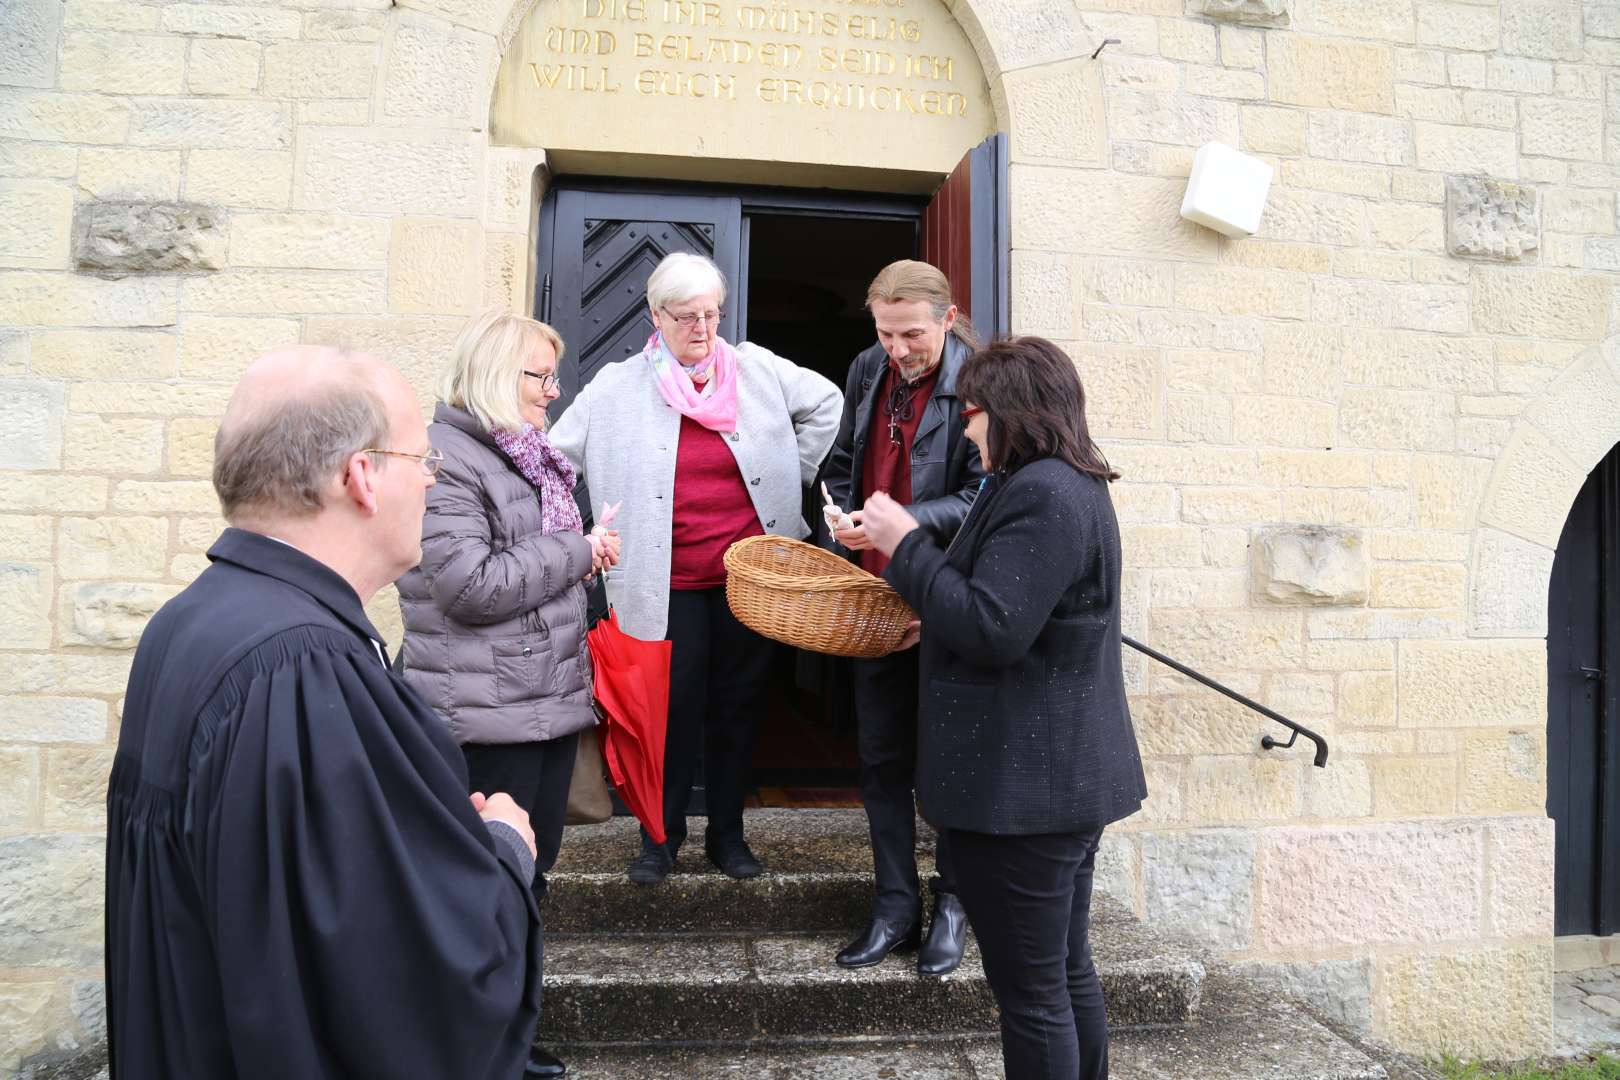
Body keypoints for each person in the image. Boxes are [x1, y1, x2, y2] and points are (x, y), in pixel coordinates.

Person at [106, 346, 543, 1080]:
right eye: (424, 460)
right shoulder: (301, 667)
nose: (432, 484)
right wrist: (504, 849)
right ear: (361, 477)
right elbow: (402, 985)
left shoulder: (189, 622)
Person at [860, 336, 1149, 1080]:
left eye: (975, 411)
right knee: (1061, 974)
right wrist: (938, 610)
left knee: (1032, 996)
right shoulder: (1059, 484)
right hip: (1049, 784)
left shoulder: (1046, 493)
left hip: (1024, 794)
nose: (965, 427)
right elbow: (1019, 614)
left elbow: (995, 628)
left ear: (1014, 412)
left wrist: (905, 544)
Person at [550, 251, 842, 886]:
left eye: (711, 314)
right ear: (656, 316)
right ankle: (662, 837)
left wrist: (791, 478)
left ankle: (728, 837)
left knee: (738, 709)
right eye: (686, 317)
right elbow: (554, 459)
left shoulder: (758, 371)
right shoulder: (616, 387)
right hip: (664, 584)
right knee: (670, 713)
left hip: (748, 583)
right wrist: (573, 535)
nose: (703, 329)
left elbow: (829, 404)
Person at [396, 310, 618, 1079]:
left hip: (535, 699)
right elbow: (467, 584)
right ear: (495, 374)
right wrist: (577, 549)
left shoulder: (518, 454)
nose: (553, 394)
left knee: (527, 875)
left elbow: (517, 565)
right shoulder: (450, 459)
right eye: (540, 376)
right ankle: (478, 1049)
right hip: (485, 712)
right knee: (487, 883)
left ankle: (505, 1038)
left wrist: (577, 558)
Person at [818, 260, 985, 977]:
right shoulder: (866, 367)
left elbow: (987, 494)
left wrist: (904, 525)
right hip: (874, 599)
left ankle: (953, 904)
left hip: (946, 595)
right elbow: (848, 455)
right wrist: (838, 515)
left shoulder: (983, 380)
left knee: (948, 758)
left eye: (911, 333)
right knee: (881, 758)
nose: (897, 349)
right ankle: (894, 905)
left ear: (947, 320)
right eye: (885, 333)